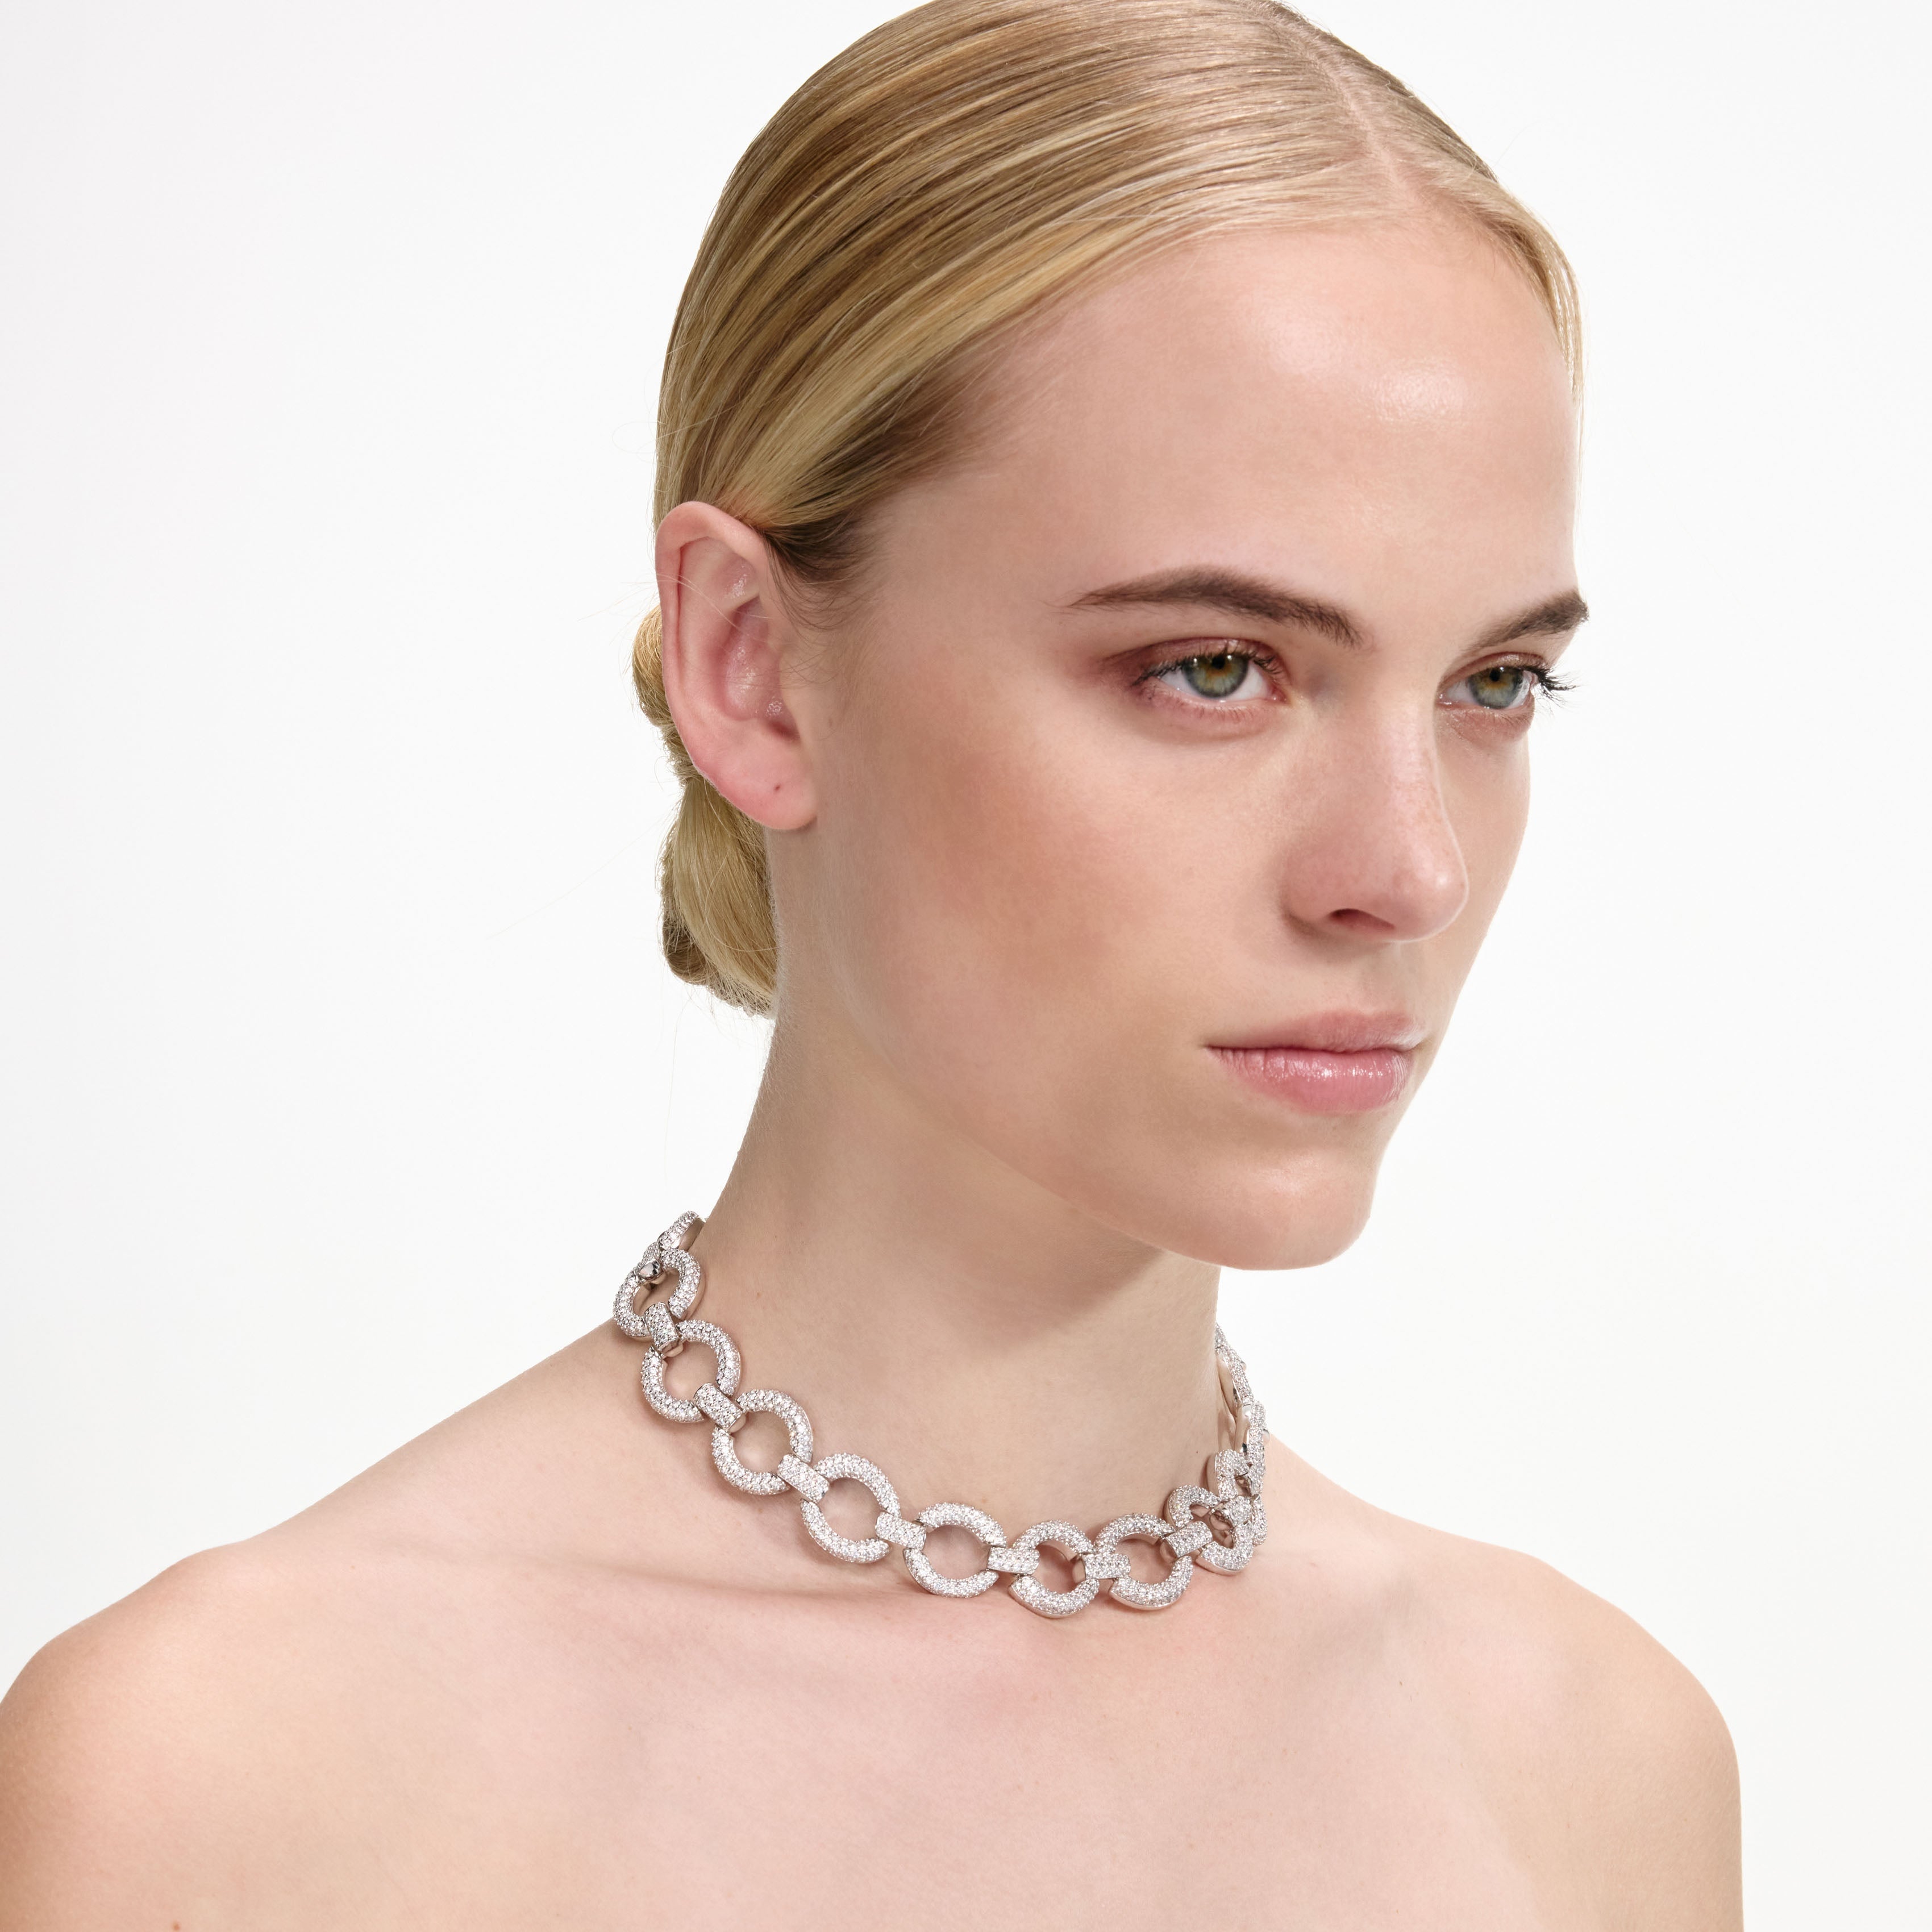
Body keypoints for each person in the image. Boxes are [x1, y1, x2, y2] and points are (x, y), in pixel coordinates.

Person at [0, 0, 1742, 1922]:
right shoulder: (229, 1783)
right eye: (1214, 668)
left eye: (1495, 684)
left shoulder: (1592, 1775)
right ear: (750, 666)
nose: (1406, 871)